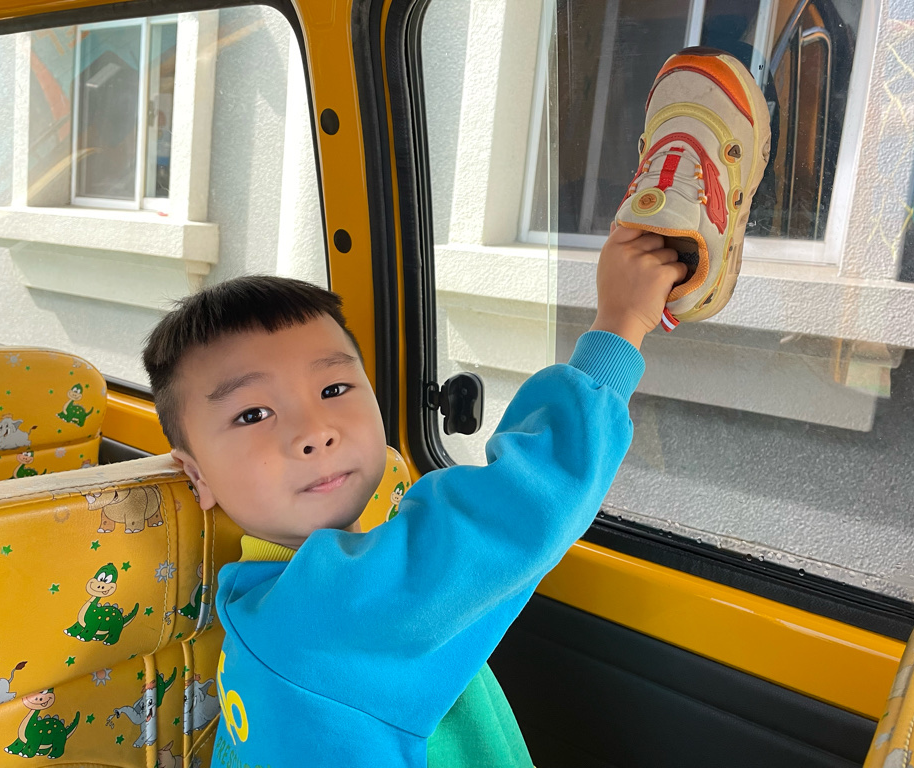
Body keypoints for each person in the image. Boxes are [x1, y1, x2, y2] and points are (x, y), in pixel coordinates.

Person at [141, 225, 684, 767]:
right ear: (198, 475)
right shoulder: (329, 611)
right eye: (253, 414)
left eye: (333, 389)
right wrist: (622, 323)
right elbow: (517, 507)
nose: (315, 431)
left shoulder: (250, 597)